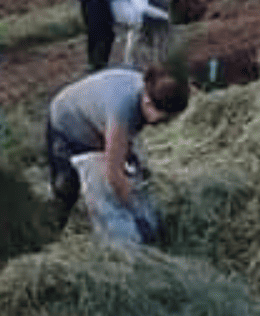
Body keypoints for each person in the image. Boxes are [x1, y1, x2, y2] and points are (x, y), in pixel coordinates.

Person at [46, 64, 189, 246]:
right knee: (69, 190)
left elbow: (122, 144)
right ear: (147, 103)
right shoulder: (122, 110)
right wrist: (137, 211)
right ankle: (49, 238)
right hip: (68, 123)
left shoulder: (148, 91)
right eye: (164, 118)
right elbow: (113, 174)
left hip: (98, 121)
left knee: (132, 173)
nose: (165, 124)